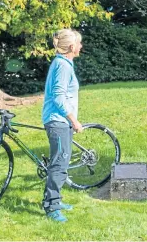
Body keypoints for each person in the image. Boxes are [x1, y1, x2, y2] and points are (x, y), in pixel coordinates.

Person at [42, 29, 83, 222]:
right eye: (79, 43)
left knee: (61, 162)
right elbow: (58, 97)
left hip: (60, 121)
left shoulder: (62, 63)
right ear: (72, 47)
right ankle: (52, 206)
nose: (81, 47)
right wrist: (73, 120)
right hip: (58, 122)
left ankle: (55, 200)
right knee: (59, 165)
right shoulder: (62, 65)